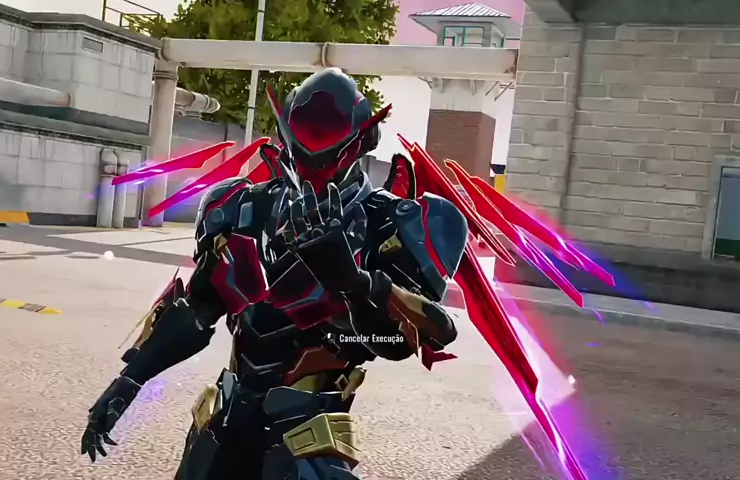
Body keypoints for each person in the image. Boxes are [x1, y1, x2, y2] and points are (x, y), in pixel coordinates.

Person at [80, 68, 466, 479]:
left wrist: (355, 284)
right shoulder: (240, 207)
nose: (314, 171)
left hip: (311, 428)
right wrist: (130, 381)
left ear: (361, 143)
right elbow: (197, 309)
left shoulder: (390, 221)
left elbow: (409, 339)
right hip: (226, 416)